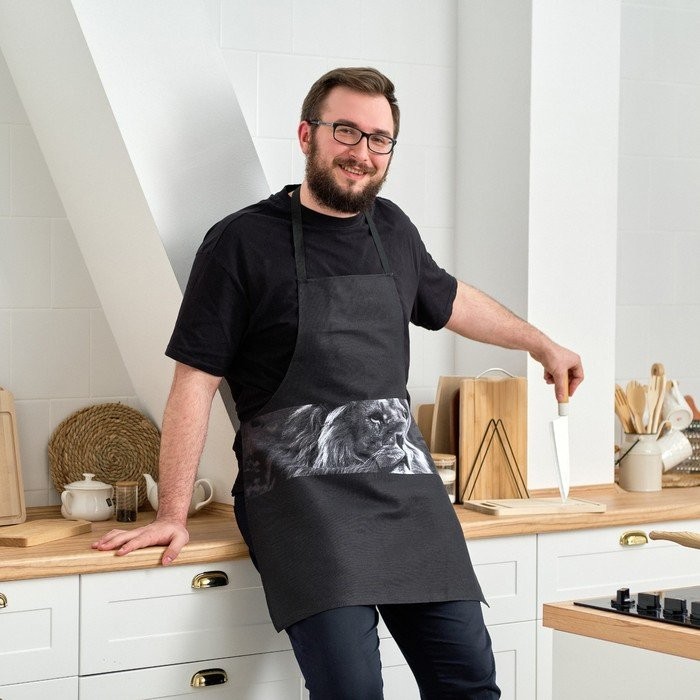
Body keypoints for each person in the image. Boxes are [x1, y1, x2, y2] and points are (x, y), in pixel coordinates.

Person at [93, 67, 583, 698]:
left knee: (470, 684)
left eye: (379, 139)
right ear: (308, 135)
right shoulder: (241, 242)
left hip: (409, 500)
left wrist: (541, 343)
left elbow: (450, 298)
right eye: (346, 131)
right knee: (350, 691)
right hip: (302, 506)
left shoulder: (392, 229)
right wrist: (172, 513)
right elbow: (195, 382)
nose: (363, 152)